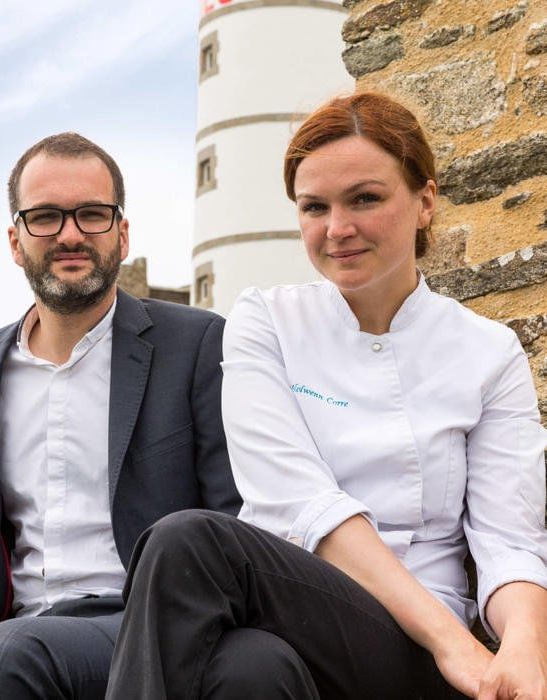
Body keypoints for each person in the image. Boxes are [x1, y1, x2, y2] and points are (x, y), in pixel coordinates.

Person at [105, 93, 547, 699]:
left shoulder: (487, 352)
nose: (338, 229)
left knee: (186, 541)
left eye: (365, 198)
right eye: (315, 207)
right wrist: (459, 645)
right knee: (249, 673)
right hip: (292, 614)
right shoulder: (265, 320)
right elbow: (298, 502)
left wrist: (521, 649)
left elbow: (510, 541)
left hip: (409, 641)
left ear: (425, 201)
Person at [0, 132, 240, 699]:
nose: (70, 234)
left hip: (154, 620)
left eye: (92, 215)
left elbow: (234, 518)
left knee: (14, 656)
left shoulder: (198, 345)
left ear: (122, 232)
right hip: (20, 633)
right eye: (45, 218)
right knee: (6, 654)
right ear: (15, 241)